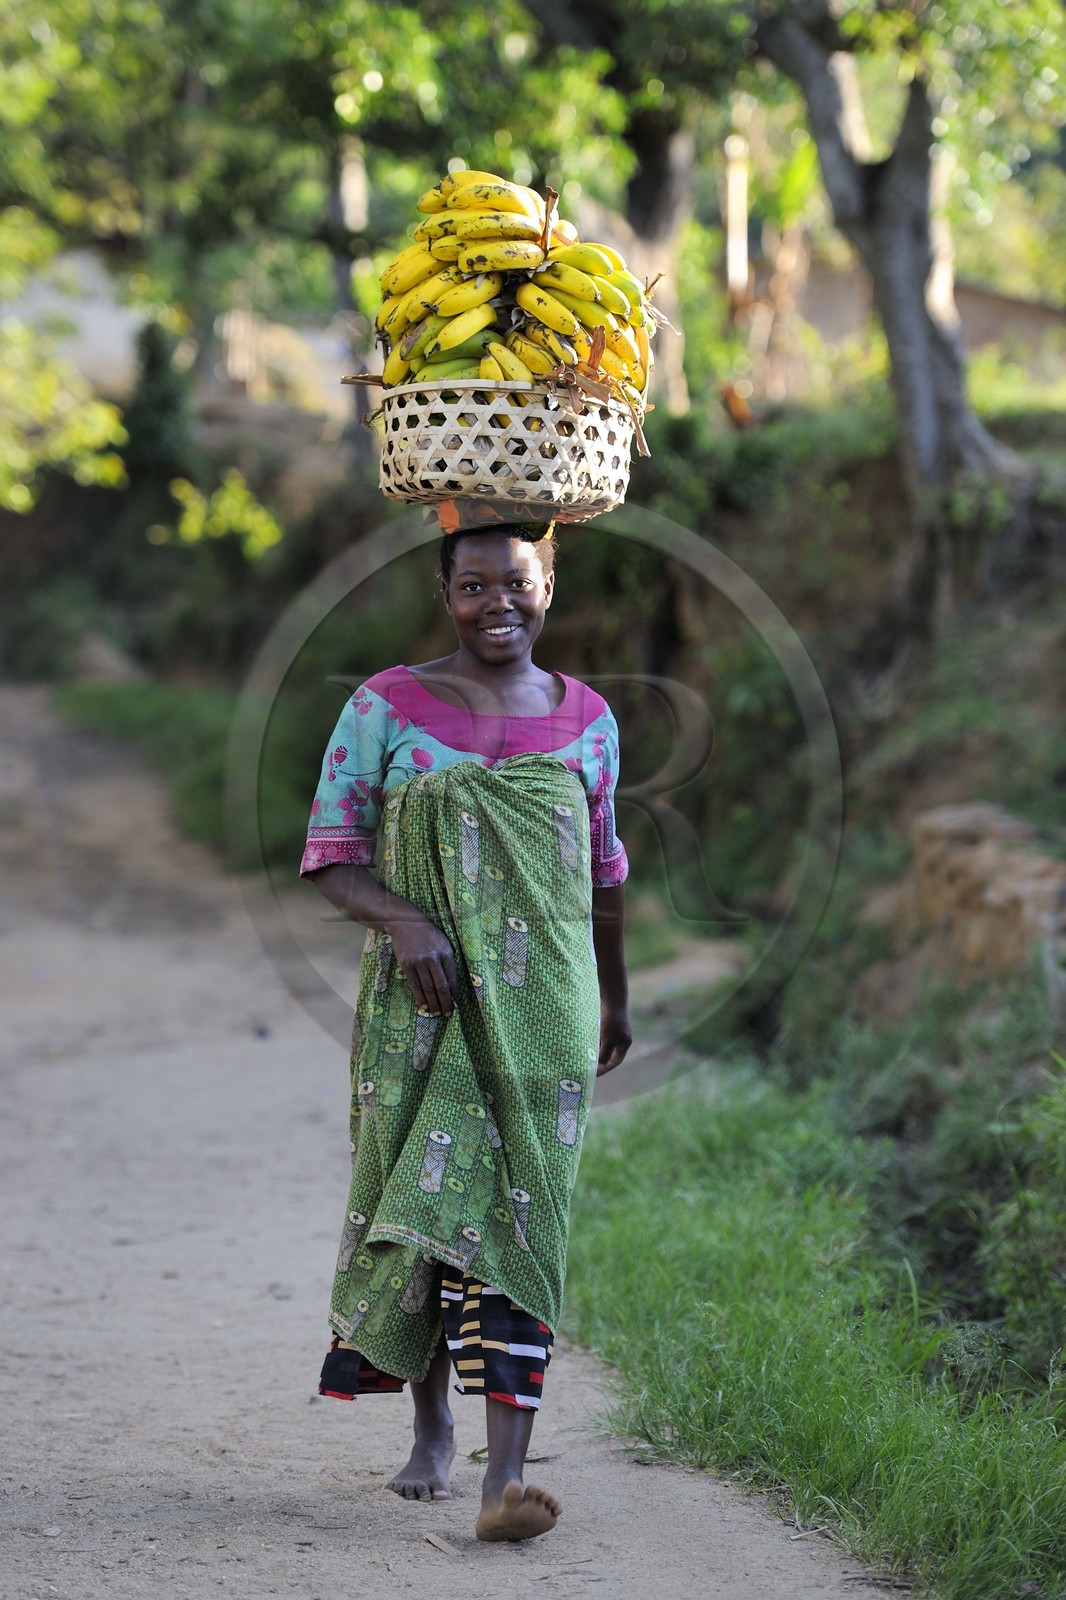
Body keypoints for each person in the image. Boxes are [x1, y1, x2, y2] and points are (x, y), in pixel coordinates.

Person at [299, 521, 631, 1542]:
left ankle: (507, 1479)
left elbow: (604, 871)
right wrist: (405, 920)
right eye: (474, 584)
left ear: (548, 584)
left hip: (548, 1010)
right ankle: (433, 1422)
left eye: (517, 582)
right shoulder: (381, 708)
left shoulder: (587, 717)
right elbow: (331, 853)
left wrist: (615, 999)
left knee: (522, 1218)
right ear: (445, 593)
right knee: (430, 1207)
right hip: (422, 1005)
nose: (499, 602)